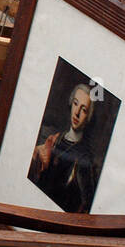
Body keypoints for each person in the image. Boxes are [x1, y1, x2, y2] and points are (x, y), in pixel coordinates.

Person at [28, 82, 98, 213]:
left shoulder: (84, 158)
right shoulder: (54, 139)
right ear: (71, 104)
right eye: (76, 103)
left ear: (88, 116)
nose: (76, 113)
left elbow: (85, 205)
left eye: (83, 110)